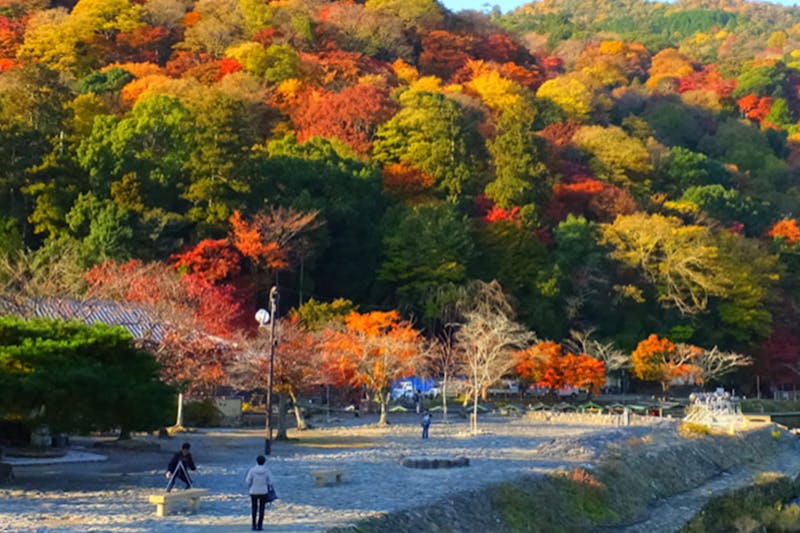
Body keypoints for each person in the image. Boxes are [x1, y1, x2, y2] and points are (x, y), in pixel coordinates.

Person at [245, 455, 274, 531]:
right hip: (263, 491)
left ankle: (253, 525)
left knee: (254, 508)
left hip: (253, 491)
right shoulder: (267, 471)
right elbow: (271, 481)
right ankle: (260, 525)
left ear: (256, 461)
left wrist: (250, 486)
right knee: (262, 509)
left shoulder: (252, 470)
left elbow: (247, 481)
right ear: (264, 462)